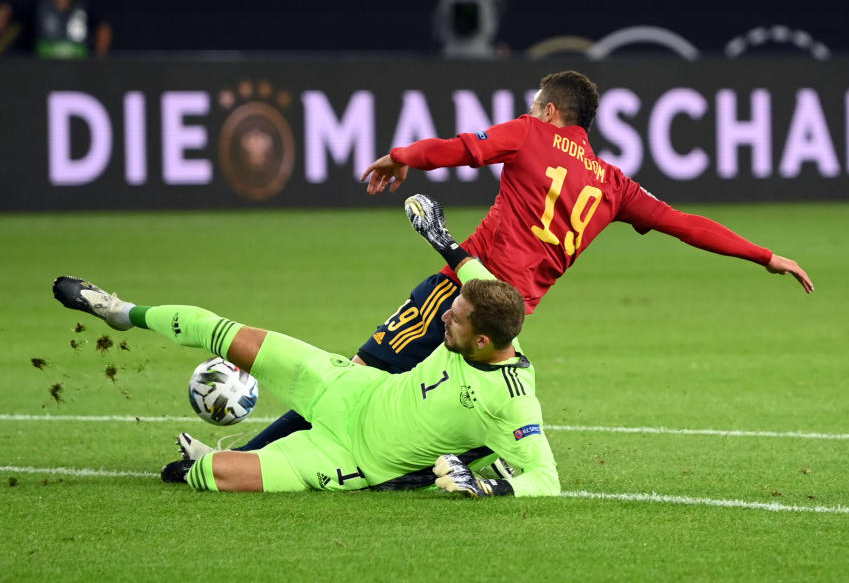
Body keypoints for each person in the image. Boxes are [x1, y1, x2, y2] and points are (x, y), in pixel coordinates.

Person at [196, 69, 814, 457]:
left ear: (549, 111)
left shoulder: (529, 134)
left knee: (345, 381)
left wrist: (400, 155)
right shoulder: (617, 186)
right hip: (507, 325)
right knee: (434, 406)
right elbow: (687, 225)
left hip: (457, 296)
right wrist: (764, 256)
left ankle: (234, 459)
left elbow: (466, 148)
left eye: (535, 105)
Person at [50, 251, 559, 497]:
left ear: (485, 341)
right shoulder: (486, 311)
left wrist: (492, 489)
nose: (445, 317)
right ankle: (123, 310)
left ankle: (219, 457)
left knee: (212, 478)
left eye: (457, 317)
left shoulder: (513, 399)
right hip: (348, 386)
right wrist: (445, 241)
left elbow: (547, 479)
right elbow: (472, 273)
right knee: (228, 333)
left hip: (352, 458)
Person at [35, 0, 112, 59]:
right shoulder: (39, 7)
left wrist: (100, 54)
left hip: (78, 64)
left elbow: (103, 27)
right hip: (44, 63)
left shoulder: (83, 7)